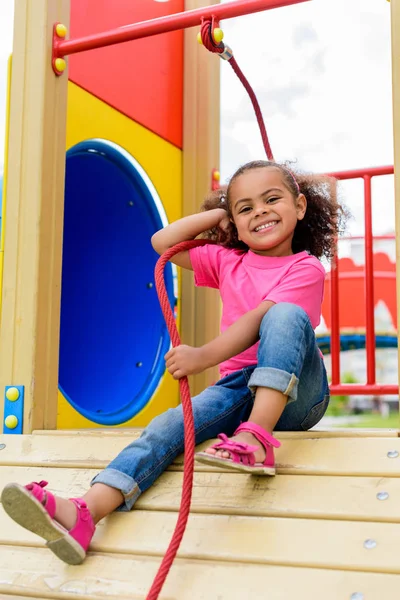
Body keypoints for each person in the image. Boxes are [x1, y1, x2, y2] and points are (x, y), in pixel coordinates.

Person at [1, 159, 347, 565]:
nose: (261, 213)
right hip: (239, 387)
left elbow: (259, 320)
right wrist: (220, 213)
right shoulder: (227, 260)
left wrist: (203, 356)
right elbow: (163, 242)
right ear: (234, 222)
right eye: (246, 208)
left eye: (272, 200)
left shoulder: (304, 267)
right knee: (167, 427)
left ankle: (255, 438)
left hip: (297, 393)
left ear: (301, 206)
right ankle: (85, 511)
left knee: (283, 315)